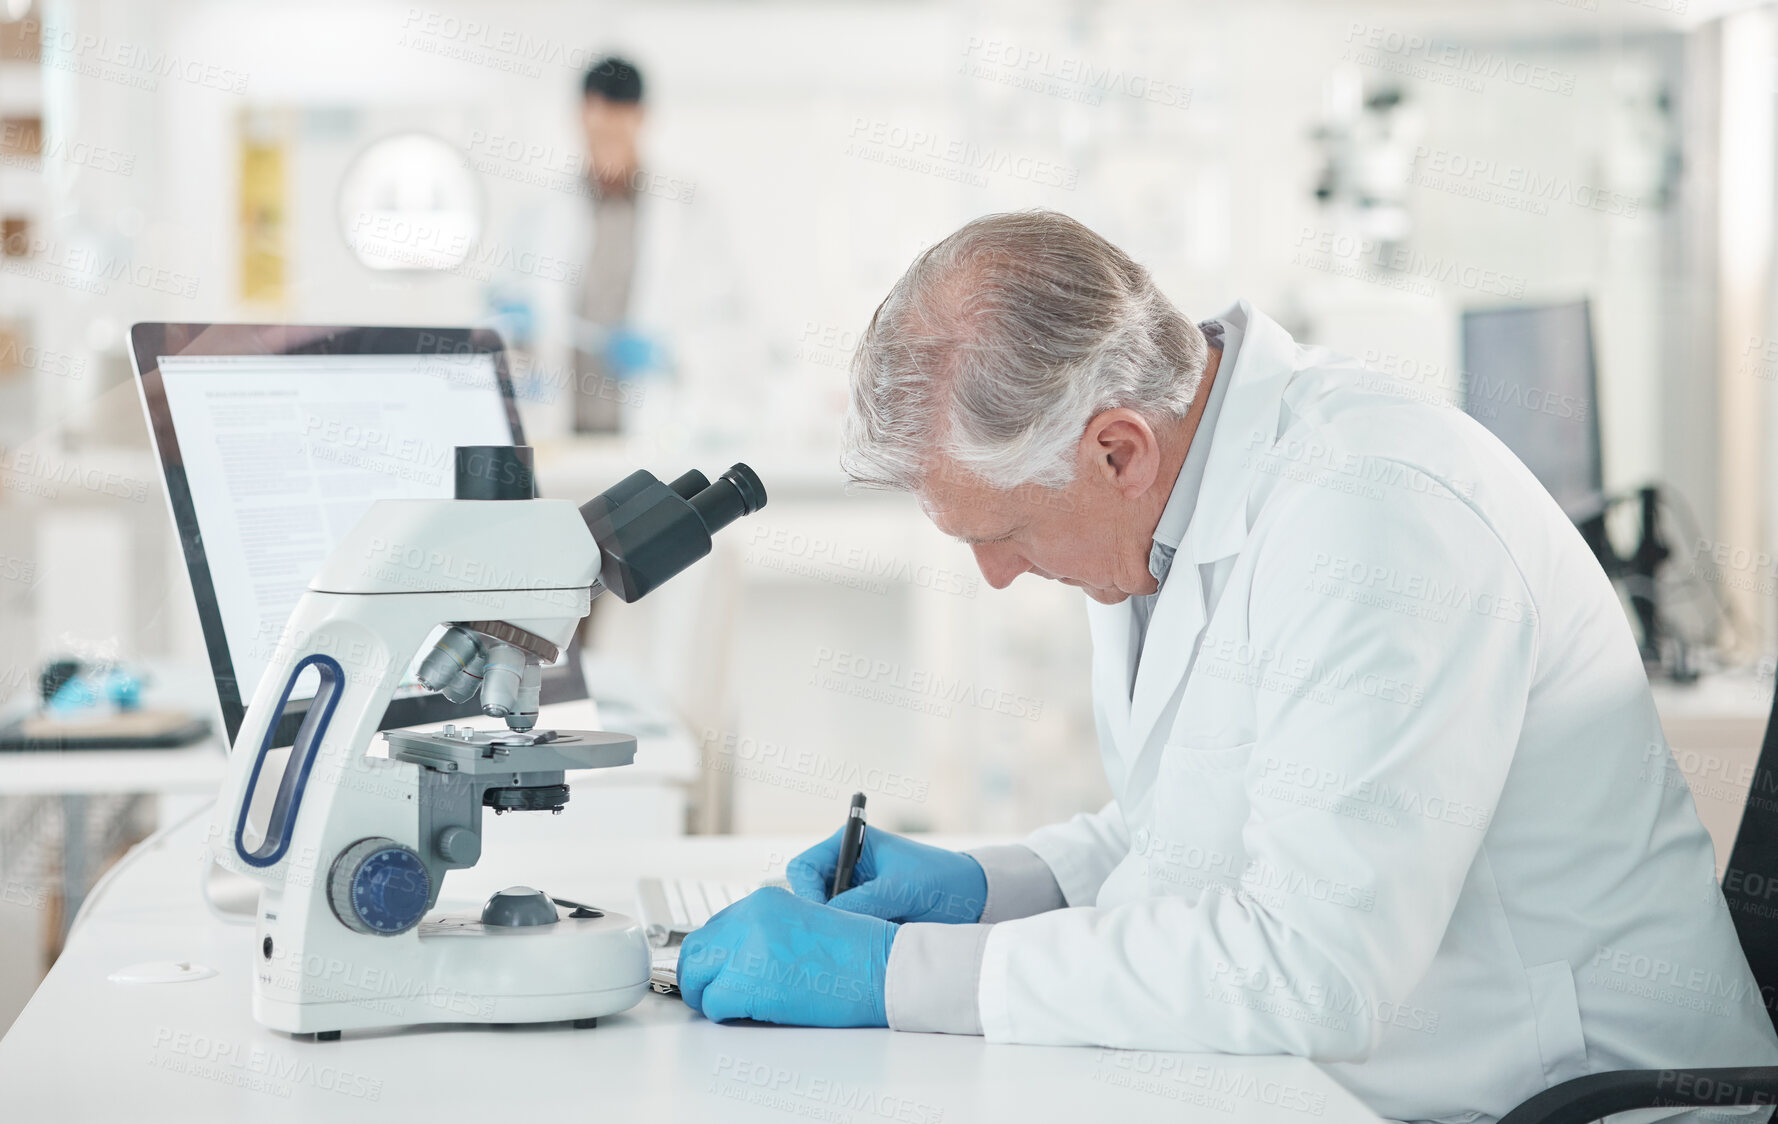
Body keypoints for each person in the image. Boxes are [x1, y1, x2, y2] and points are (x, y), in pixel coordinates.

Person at [677, 210, 1778, 1119]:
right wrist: (993, 887)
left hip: (1570, 1096)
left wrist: (895, 977)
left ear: (1115, 447)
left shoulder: (1374, 519)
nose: (999, 576)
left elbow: (1311, 968)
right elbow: (1192, 824)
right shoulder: (1168, 495)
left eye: (1003, 533)